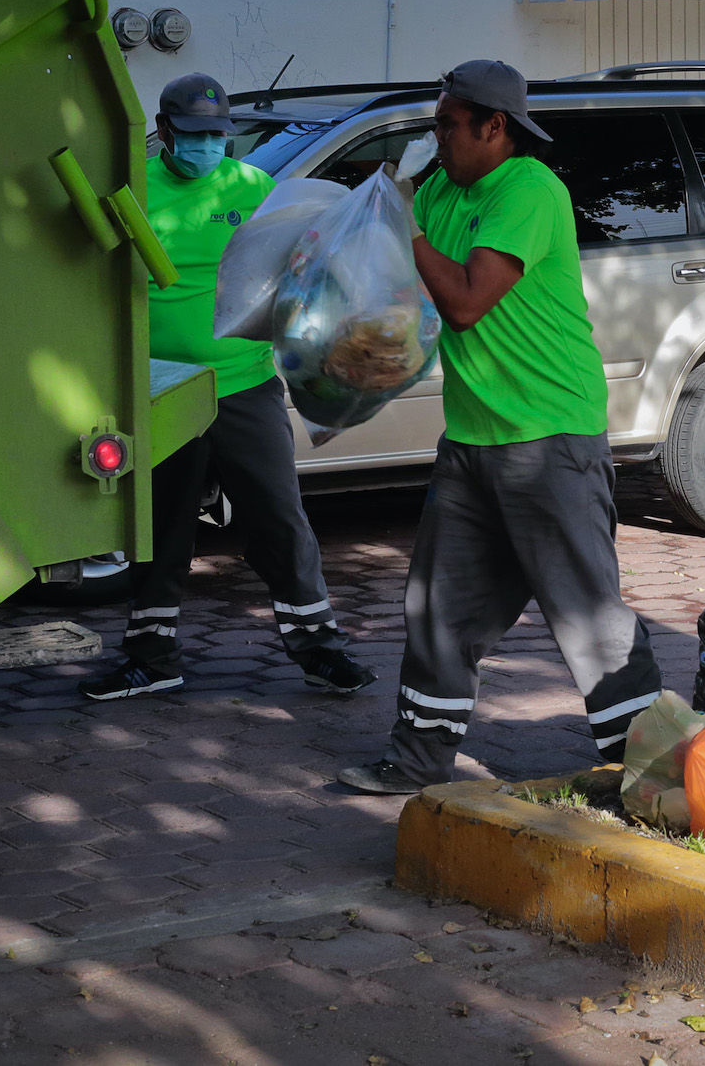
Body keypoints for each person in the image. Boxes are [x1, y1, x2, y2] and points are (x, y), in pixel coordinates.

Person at [337, 60, 662, 792]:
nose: (437, 136)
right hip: (474, 442)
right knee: (438, 608)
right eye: (436, 122)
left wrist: (404, 226)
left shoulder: (529, 190)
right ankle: (417, 759)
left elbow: (465, 301)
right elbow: (413, 289)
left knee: (588, 616)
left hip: (548, 437)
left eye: (449, 124)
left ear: (496, 127)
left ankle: (652, 768)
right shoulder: (447, 192)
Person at [79, 73, 375, 701]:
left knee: (278, 518)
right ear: (164, 132)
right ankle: (152, 657)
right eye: (194, 135)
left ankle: (321, 649)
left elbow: (304, 264)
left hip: (244, 383)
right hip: (160, 387)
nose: (208, 146)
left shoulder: (255, 188)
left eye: (218, 135)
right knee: (161, 527)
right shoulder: (133, 185)